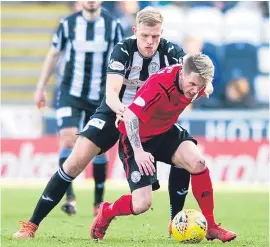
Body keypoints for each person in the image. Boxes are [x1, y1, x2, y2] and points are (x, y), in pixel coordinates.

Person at [13, 6, 190, 239]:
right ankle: (31, 225)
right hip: (115, 111)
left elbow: (192, 70)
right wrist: (124, 112)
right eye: (144, 36)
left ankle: (174, 223)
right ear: (136, 30)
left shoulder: (171, 51)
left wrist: (205, 82)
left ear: (161, 33)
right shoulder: (123, 49)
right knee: (74, 163)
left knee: (186, 157)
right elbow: (111, 95)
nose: (149, 42)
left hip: (148, 120)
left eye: (155, 36)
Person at [90, 54, 237, 243]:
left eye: (200, 85)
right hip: (137, 138)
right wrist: (139, 152)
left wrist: (205, 86)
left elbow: (201, 81)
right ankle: (107, 211)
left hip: (165, 131)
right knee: (142, 204)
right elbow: (130, 117)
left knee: (198, 163)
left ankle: (211, 226)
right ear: (182, 74)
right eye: (192, 84)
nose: (195, 91)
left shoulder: (197, 83)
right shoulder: (159, 85)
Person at [33, 1, 123, 217]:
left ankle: (98, 201)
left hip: (101, 94)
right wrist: (41, 87)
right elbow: (54, 54)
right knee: (67, 139)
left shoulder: (113, 25)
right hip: (71, 92)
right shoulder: (68, 24)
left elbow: (123, 58)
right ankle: (69, 198)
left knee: (99, 147)